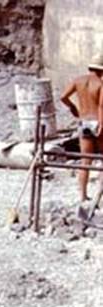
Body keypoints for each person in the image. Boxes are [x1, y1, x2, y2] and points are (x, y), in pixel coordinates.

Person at [60, 54, 103, 202]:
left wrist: (73, 107)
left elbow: (63, 96)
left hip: (84, 122)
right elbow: (102, 106)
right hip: (97, 121)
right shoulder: (100, 84)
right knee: (102, 159)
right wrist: (102, 124)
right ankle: (99, 196)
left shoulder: (78, 81)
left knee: (85, 161)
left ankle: (83, 196)